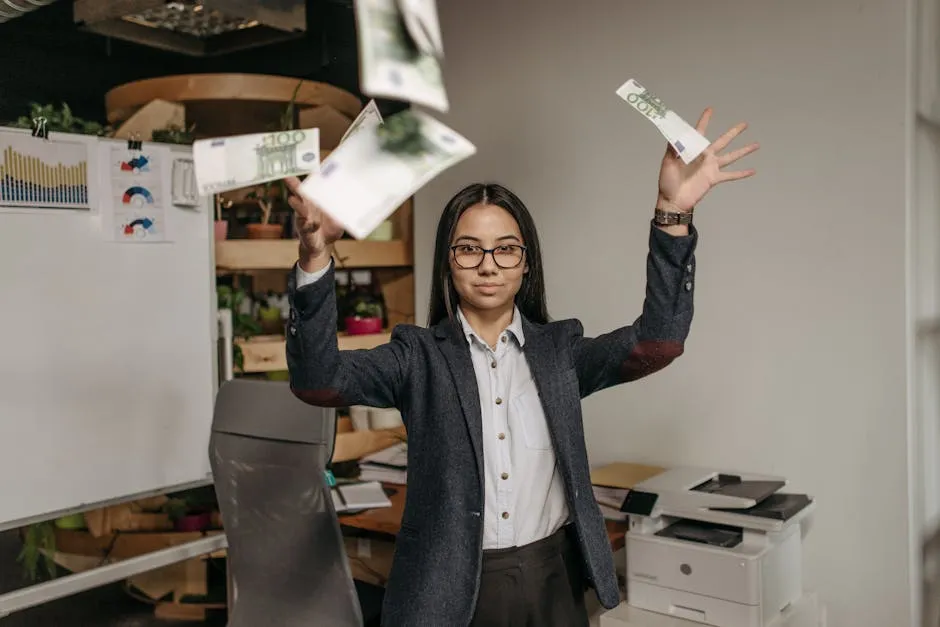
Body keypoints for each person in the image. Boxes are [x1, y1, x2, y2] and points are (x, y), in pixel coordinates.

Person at [283, 107, 757, 627]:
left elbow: (659, 342)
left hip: (551, 578)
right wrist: (314, 256)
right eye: (469, 250)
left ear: (526, 262)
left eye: (506, 249)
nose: (488, 264)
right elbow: (317, 380)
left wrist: (672, 212)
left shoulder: (561, 352)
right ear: (449, 260)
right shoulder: (416, 356)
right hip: (449, 592)